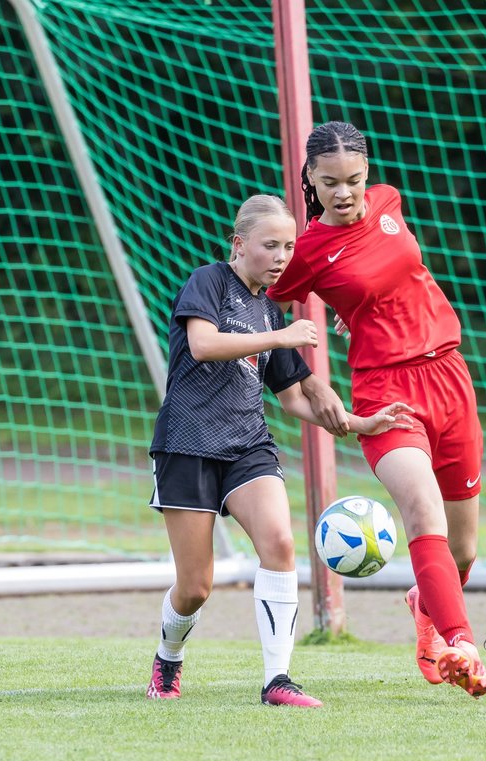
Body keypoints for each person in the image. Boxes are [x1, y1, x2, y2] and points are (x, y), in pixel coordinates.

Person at [146, 194, 412, 706]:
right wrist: (283, 334)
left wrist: (358, 421)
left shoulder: (271, 311)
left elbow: (296, 399)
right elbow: (202, 344)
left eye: (289, 246)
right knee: (196, 587)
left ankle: (277, 680)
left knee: (281, 544)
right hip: (187, 443)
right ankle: (169, 657)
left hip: (248, 446)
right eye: (270, 245)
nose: (281, 256)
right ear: (239, 243)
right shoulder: (210, 281)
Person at [268, 121, 486, 697]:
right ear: (310, 183)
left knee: (463, 549)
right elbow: (263, 302)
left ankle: (426, 605)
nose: (345, 193)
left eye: (354, 180)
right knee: (423, 514)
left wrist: (361, 306)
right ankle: (461, 644)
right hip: (385, 392)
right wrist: (299, 372)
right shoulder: (309, 250)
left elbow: (396, 272)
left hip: (449, 376)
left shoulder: (389, 202)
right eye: (330, 183)